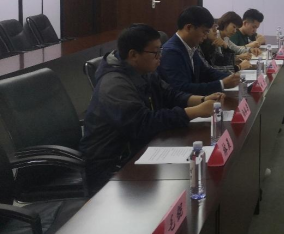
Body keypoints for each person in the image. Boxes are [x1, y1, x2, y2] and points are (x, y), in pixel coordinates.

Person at [80, 24, 226, 193]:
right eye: (155, 52)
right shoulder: (114, 85)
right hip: (113, 164)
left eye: (160, 51)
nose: (160, 57)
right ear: (133, 54)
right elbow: (143, 123)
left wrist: (202, 100)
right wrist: (196, 111)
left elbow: (169, 93)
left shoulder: (141, 69)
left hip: (140, 148)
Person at [159, 6, 241, 94]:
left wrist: (230, 77)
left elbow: (206, 72)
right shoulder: (171, 52)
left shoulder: (190, 47)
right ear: (189, 28)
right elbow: (181, 88)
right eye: (204, 32)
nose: (205, 37)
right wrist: (221, 84)